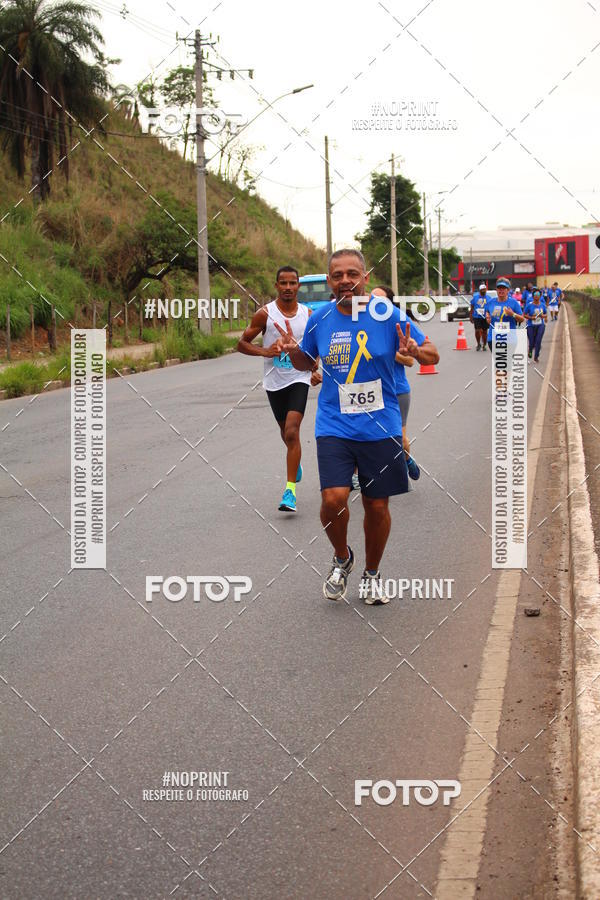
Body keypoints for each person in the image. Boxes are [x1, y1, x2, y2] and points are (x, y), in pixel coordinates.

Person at [274, 249, 439, 604]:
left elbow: (432, 354)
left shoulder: (387, 314)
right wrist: (291, 350)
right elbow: (306, 360)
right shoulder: (321, 318)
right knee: (333, 499)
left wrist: (413, 348)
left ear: (364, 277)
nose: (345, 280)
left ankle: (373, 573)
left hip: (381, 427)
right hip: (335, 424)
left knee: (377, 506)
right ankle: (342, 558)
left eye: (352, 274)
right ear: (329, 280)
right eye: (337, 275)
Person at [237, 265, 319, 513]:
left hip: (299, 378)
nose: (287, 287)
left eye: (292, 283)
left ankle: (290, 492)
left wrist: (314, 367)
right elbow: (241, 343)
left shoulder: (308, 314)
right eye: (283, 283)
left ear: (298, 286)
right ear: (276, 286)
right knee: (285, 434)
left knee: (293, 432)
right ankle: (295, 463)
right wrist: (267, 351)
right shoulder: (265, 314)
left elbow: (317, 348)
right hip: (274, 381)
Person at [373, 285, 427, 480]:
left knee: (399, 437)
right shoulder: (364, 325)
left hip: (397, 389)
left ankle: (406, 459)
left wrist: (388, 353)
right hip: (372, 391)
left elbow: (410, 361)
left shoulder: (398, 326)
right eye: (372, 299)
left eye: (380, 300)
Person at [485, 277, 524, 350]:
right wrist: (487, 316)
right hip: (493, 338)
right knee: (498, 361)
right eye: (499, 288)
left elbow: (522, 319)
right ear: (496, 289)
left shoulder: (513, 303)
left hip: (509, 339)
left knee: (507, 361)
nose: (501, 290)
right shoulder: (490, 302)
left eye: (503, 288)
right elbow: (486, 311)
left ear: (508, 290)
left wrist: (513, 314)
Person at [523, 288, 547, 362]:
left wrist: (543, 316)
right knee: (532, 341)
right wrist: (531, 317)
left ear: (540, 296)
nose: (536, 296)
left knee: (538, 340)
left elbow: (545, 314)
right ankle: (530, 350)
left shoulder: (542, 305)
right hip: (530, 325)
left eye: (538, 295)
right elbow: (524, 314)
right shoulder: (529, 305)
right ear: (533, 296)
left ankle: (536, 356)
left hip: (540, 325)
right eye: (535, 295)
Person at [470, 282, 489, 351]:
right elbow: (472, 307)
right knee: (478, 330)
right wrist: (471, 316)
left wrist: (490, 316)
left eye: (484, 289)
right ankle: (478, 344)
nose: (483, 291)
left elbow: (491, 308)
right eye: (482, 289)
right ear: (479, 290)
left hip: (485, 317)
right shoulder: (475, 297)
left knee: (484, 332)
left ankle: (484, 345)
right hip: (477, 317)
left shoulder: (489, 298)